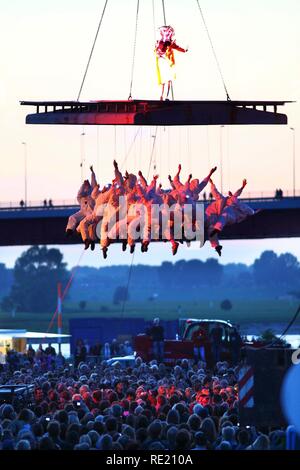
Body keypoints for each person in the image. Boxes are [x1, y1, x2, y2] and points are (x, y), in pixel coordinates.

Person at [155, 26, 188, 101]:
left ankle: (164, 96)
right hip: (164, 61)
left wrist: (184, 50)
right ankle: (162, 96)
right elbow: (163, 48)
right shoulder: (164, 42)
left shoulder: (165, 42)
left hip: (166, 62)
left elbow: (177, 47)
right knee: (166, 80)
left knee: (168, 80)